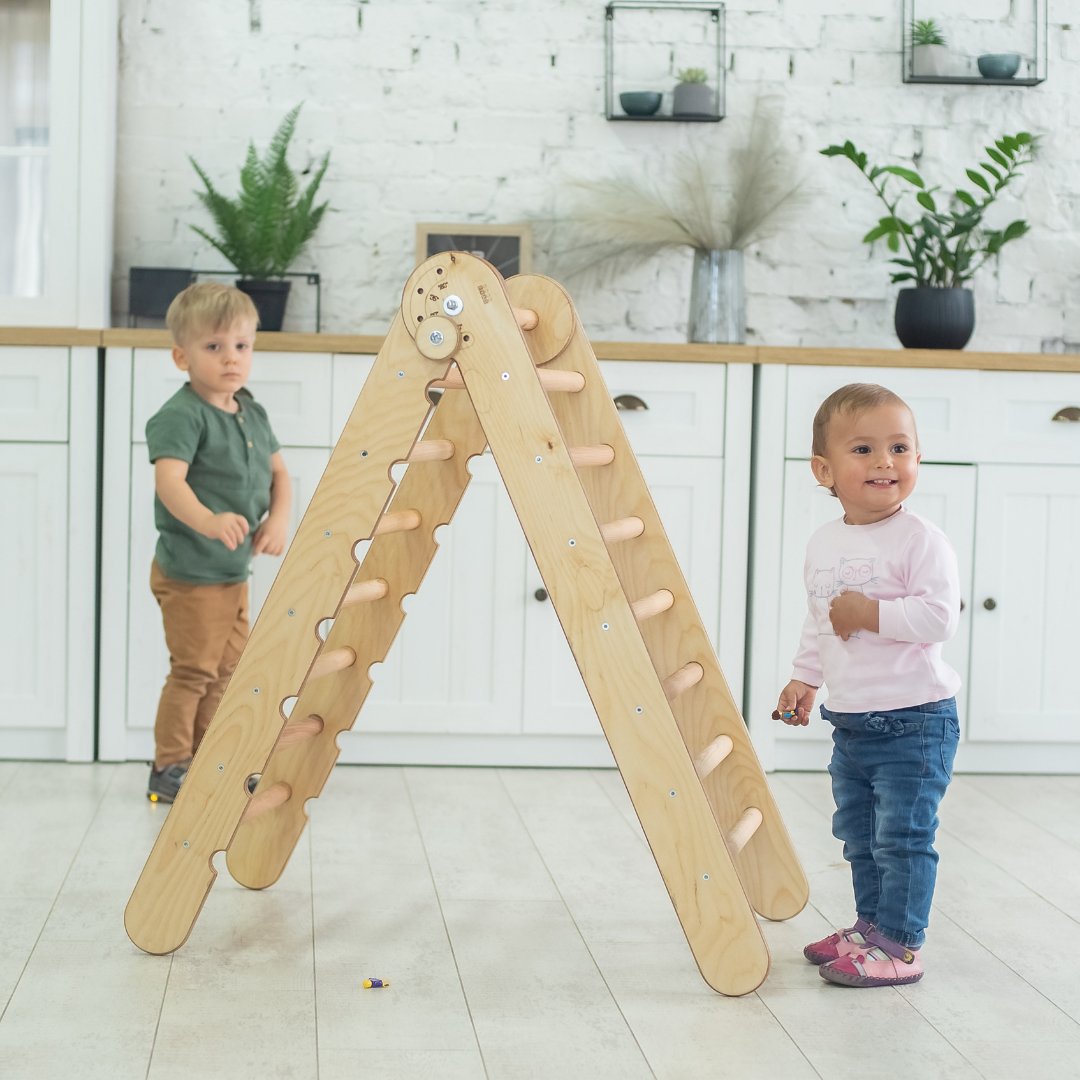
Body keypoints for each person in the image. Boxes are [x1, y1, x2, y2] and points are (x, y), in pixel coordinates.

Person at [775, 382, 961, 988]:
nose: (885, 462)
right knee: (860, 836)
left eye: (900, 447)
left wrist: (872, 615)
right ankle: (871, 925)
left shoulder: (920, 540)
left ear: (916, 459)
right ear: (823, 469)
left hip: (915, 719)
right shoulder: (825, 542)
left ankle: (902, 945)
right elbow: (820, 617)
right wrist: (806, 677)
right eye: (863, 449)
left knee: (902, 838)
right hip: (851, 722)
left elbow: (939, 617)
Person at [145, 283, 291, 804]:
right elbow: (170, 482)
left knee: (228, 670)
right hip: (192, 574)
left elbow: (280, 473)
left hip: (232, 573)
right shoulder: (182, 415)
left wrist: (277, 520)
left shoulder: (250, 410)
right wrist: (208, 521)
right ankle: (169, 766)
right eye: (214, 347)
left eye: (242, 346)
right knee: (193, 671)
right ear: (182, 356)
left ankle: (207, 761)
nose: (231, 358)